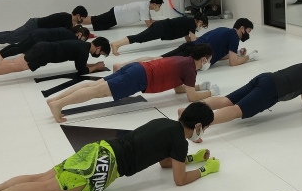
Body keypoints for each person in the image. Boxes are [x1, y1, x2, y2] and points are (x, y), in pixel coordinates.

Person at [0, 101, 221, 191]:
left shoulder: (165, 123)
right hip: (105, 166)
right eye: (206, 127)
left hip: (99, 149)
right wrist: (204, 170)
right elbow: (179, 180)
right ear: (199, 126)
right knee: (46, 189)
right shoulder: (179, 142)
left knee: (41, 177)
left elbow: (165, 162)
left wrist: (193, 158)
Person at [47, 44, 219, 123]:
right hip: (139, 78)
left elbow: (178, 89)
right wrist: (211, 92)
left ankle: (55, 100)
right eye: (209, 60)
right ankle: (58, 104)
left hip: (137, 68)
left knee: (94, 86)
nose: (209, 63)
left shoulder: (183, 60)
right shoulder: (191, 70)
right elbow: (191, 98)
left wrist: (199, 86)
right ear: (203, 59)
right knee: (97, 91)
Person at [183, 62, 302, 130]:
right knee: (236, 110)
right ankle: (198, 124)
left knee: (226, 100)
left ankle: (187, 111)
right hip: (272, 89)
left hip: (266, 77)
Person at [113, 18, 258, 72]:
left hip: (190, 47)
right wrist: (249, 57)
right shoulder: (234, 36)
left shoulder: (224, 30)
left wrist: (237, 54)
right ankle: (123, 67)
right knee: (157, 63)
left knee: (158, 59)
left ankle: (122, 65)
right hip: (193, 53)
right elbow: (233, 63)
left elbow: (219, 55)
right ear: (242, 28)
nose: (248, 34)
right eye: (248, 31)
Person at [0, 38, 109, 88]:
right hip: (44, 54)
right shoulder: (84, 51)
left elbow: (80, 65)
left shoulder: (82, 45)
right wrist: (96, 67)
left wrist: (93, 66)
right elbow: (81, 70)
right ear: (98, 48)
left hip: (43, 47)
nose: (98, 55)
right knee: (15, 66)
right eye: (101, 53)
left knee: (13, 62)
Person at [0, 6, 88, 51]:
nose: (82, 21)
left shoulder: (67, 17)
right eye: (82, 19)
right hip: (34, 26)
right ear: (78, 15)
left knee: (12, 34)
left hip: (34, 24)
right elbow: (68, 33)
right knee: (13, 38)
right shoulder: (67, 20)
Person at [109, 14, 208, 56]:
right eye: (202, 25)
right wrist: (204, 42)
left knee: (140, 37)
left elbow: (188, 39)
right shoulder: (191, 23)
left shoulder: (189, 22)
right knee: (139, 38)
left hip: (161, 27)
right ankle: (116, 44)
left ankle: (117, 44)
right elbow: (193, 41)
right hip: (161, 28)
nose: (201, 27)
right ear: (199, 22)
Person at [0, 25, 91, 61]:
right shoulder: (71, 36)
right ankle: (2, 55)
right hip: (39, 37)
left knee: (19, 46)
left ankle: (0, 53)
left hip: (38, 33)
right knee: (21, 48)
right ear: (80, 34)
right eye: (83, 38)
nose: (82, 41)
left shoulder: (68, 31)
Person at [85, 0, 163, 31]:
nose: (158, 8)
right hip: (116, 15)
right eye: (159, 6)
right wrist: (161, 26)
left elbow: (150, 20)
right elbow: (149, 25)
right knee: (95, 20)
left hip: (117, 16)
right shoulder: (144, 8)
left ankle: (80, 20)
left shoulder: (145, 6)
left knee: (97, 21)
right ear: (154, 4)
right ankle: (79, 20)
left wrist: (162, 22)